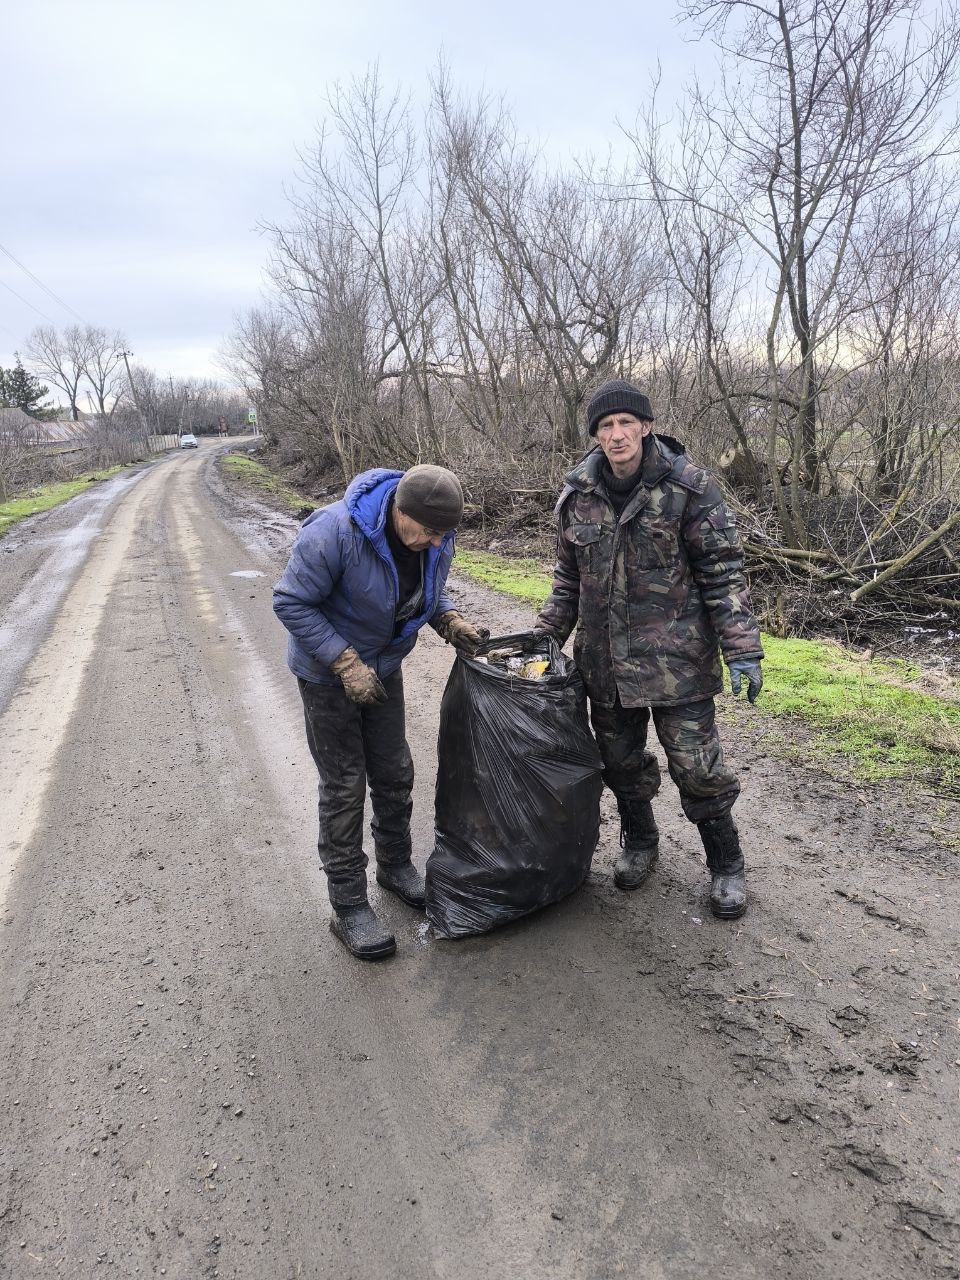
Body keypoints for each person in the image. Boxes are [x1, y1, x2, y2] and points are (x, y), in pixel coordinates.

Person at [534, 379, 764, 919]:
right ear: (595, 435)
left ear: (645, 427)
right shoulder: (577, 497)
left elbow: (723, 574)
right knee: (619, 764)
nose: (616, 435)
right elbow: (567, 583)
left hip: (677, 663)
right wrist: (541, 642)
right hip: (605, 666)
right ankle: (640, 840)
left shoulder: (690, 488)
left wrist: (742, 647)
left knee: (698, 767)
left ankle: (727, 864)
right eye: (605, 426)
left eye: (625, 423)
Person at [273, 464, 485, 959]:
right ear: (399, 511)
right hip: (326, 675)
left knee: (394, 771)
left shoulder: (436, 535)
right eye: (430, 532)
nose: (438, 543)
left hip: (384, 667)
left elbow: (426, 587)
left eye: (445, 534)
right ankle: (348, 905)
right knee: (345, 786)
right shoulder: (334, 531)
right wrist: (345, 662)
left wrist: (449, 619)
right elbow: (291, 602)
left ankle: (395, 866)